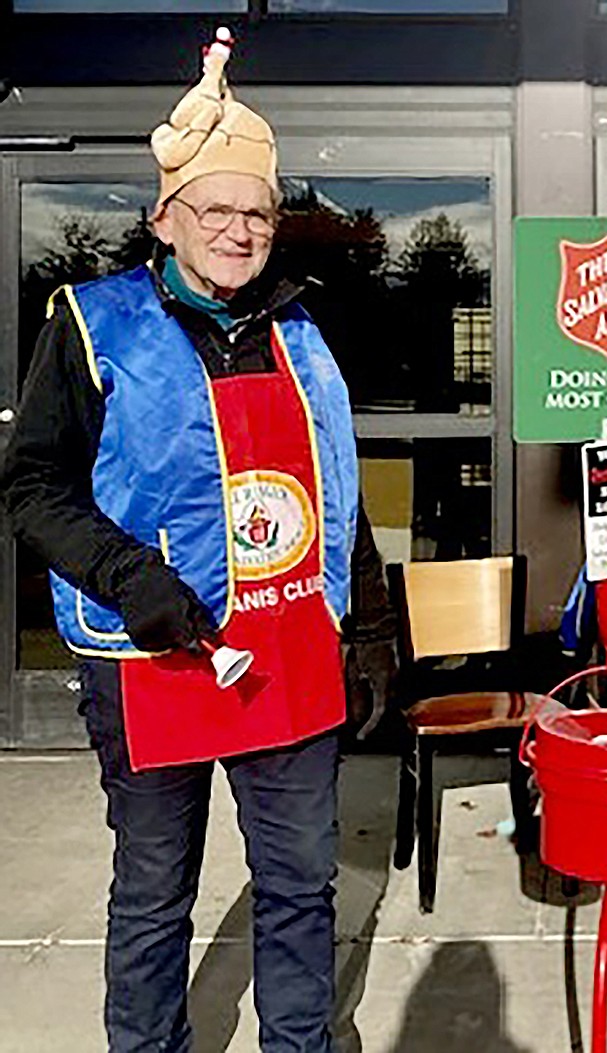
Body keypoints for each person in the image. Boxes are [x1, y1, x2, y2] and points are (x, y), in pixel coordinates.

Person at [0, 29, 396, 1053]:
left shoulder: (301, 331)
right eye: (215, 210)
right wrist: (130, 577)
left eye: (256, 212)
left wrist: (370, 629)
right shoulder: (92, 324)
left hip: (290, 657)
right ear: (165, 220)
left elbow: (337, 492)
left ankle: (299, 1043)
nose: (238, 229)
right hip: (151, 658)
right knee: (151, 894)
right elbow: (32, 487)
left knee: (302, 887)